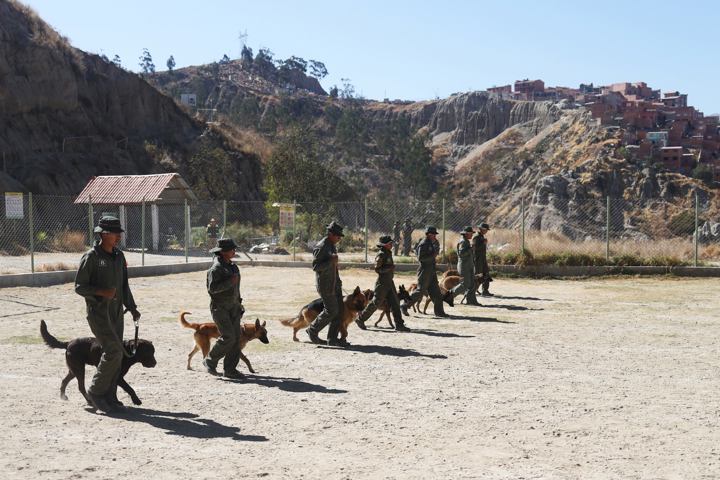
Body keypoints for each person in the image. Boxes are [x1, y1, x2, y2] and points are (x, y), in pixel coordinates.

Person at [74, 215, 141, 413]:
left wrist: (133, 307)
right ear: (103, 234)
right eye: (114, 233)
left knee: (115, 354)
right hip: (99, 313)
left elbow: (124, 286)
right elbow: (79, 287)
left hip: (117, 312)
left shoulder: (119, 256)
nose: (118, 237)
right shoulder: (91, 257)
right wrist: (101, 292)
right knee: (113, 351)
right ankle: (95, 392)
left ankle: (109, 396)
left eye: (119, 233)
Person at [202, 238, 246, 379]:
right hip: (220, 308)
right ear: (223, 252)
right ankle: (210, 360)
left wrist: (239, 304)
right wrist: (229, 282)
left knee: (237, 338)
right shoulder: (216, 268)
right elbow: (212, 289)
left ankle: (230, 370)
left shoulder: (232, 266)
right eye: (232, 249)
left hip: (233, 307)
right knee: (228, 337)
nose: (234, 251)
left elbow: (236, 289)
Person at [305, 221, 349, 347]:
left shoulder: (331, 244)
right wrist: (331, 261)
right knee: (331, 310)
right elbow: (316, 266)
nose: (339, 238)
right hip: (326, 285)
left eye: (340, 236)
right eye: (337, 236)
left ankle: (332, 339)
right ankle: (312, 330)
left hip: (334, 284)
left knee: (339, 311)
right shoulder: (322, 246)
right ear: (330, 234)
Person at [355, 235, 410, 332]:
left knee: (395, 303)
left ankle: (399, 325)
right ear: (385, 245)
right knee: (376, 302)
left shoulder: (388, 253)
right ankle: (360, 319)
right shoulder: (381, 254)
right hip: (382, 283)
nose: (391, 244)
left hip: (389, 282)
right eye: (390, 243)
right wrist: (389, 268)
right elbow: (377, 269)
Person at [401, 226, 453, 318]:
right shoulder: (424, 243)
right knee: (420, 291)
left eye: (435, 234)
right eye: (433, 234)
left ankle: (439, 312)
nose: (435, 236)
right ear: (428, 234)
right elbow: (421, 258)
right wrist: (432, 255)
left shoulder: (430, 243)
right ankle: (405, 305)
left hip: (431, 271)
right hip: (425, 271)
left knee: (436, 292)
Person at [449, 226, 480, 305]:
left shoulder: (466, 241)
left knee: (472, 284)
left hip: (468, 265)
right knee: (465, 284)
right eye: (470, 233)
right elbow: (461, 254)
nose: (472, 235)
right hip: (464, 266)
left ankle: (471, 301)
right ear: (466, 234)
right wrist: (470, 249)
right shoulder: (463, 242)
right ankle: (449, 296)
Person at [473, 223, 493, 297]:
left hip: (483, 259)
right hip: (478, 260)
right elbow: (474, 249)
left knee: (486, 274)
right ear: (481, 229)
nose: (486, 231)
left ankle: (485, 291)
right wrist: (483, 243)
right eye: (485, 229)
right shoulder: (476, 237)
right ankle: (472, 291)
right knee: (478, 275)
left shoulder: (481, 237)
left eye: (487, 230)